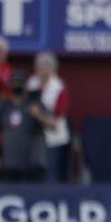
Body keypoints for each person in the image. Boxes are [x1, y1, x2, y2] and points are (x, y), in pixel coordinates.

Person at [0, 70, 46, 182]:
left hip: (32, 162)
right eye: (14, 82)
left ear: (25, 85)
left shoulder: (34, 103)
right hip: (9, 162)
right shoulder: (3, 107)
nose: (16, 85)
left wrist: (38, 115)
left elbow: (52, 125)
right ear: (9, 85)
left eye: (19, 82)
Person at [27, 51, 71, 182]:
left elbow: (55, 121)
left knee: (51, 176)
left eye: (48, 67)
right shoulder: (31, 84)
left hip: (53, 140)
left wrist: (38, 115)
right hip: (33, 139)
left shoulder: (59, 88)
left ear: (54, 69)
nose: (44, 70)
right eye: (41, 67)